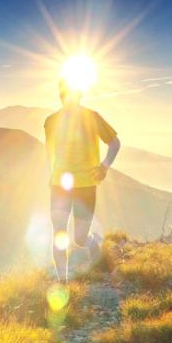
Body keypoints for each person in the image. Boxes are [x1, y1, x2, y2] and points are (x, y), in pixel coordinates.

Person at [44, 79, 121, 282]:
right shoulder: (50, 121)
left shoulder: (92, 117)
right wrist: (50, 174)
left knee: (79, 238)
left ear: (78, 96)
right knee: (59, 232)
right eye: (64, 94)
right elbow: (49, 153)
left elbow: (114, 143)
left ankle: (92, 242)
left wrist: (104, 166)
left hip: (86, 185)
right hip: (60, 185)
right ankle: (63, 281)